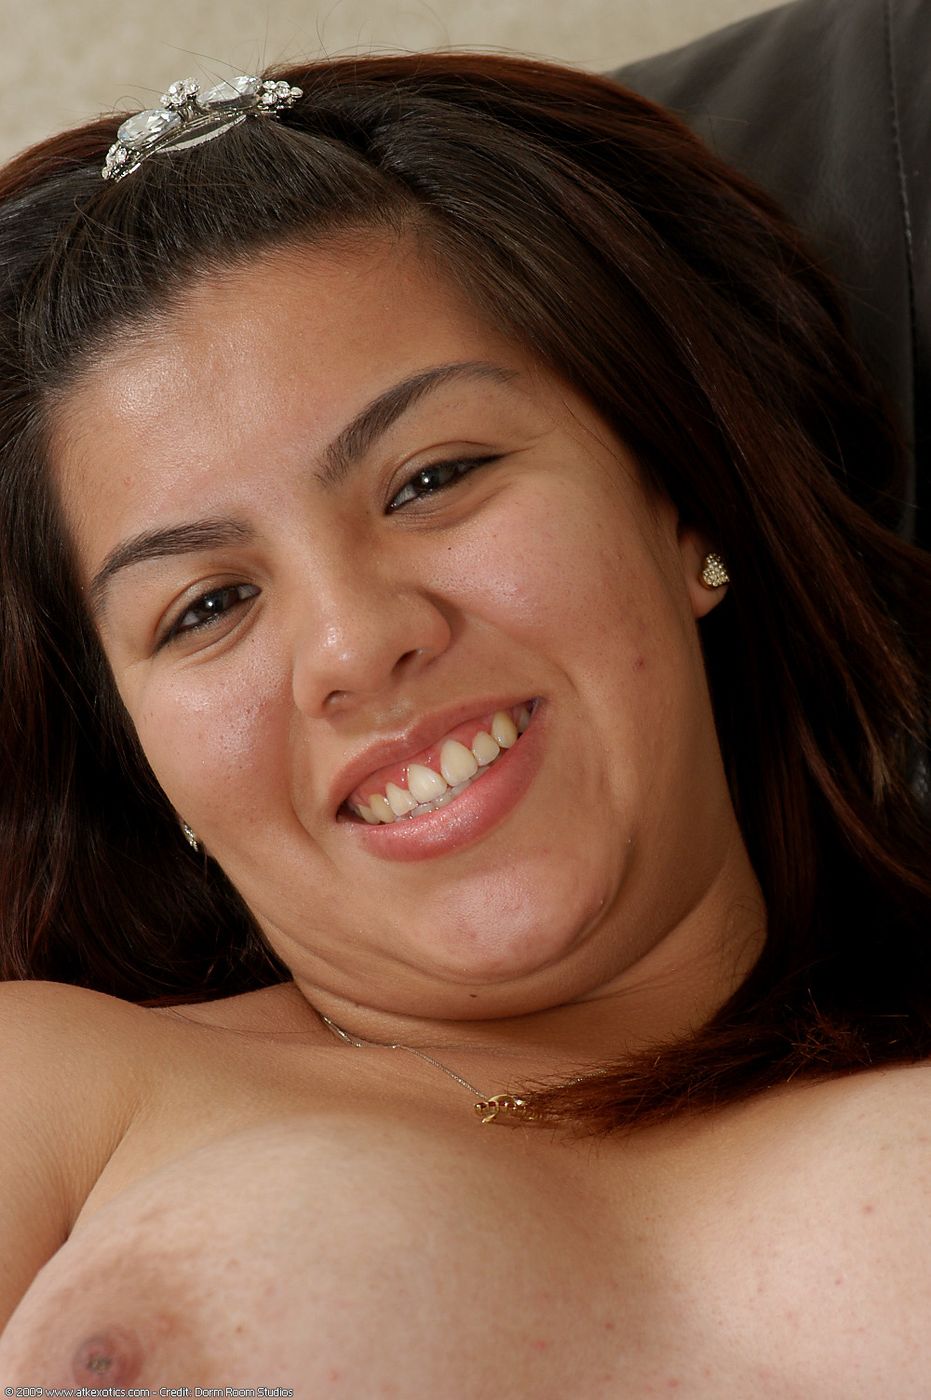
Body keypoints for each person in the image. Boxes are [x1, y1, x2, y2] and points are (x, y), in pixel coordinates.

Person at [0, 35, 928, 1393]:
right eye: (207, 606)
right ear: (145, 763)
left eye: (431, 479)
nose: (356, 642)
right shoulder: (52, 1089)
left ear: (685, 504)